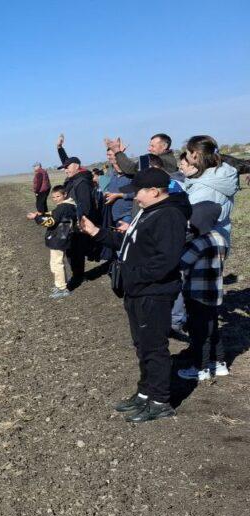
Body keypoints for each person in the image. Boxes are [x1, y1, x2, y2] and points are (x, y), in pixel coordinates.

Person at [78, 168, 191, 423]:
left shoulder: (168, 216)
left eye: (138, 192)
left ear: (154, 191)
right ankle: (144, 394)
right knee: (142, 346)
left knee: (154, 348)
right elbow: (127, 243)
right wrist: (96, 231)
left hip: (153, 293)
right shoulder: (147, 213)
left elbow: (166, 261)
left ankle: (160, 401)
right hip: (137, 292)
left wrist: (134, 274)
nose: (135, 198)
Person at [177, 202, 229, 382]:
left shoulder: (199, 242)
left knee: (200, 332)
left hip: (197, 294)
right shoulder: (220, 238)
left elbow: (182, 263)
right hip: (215, 292)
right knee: (212, 328)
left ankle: (201, 368)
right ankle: (219, 362)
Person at [55, 134, 101, 288]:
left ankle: (77, 276)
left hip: (74, 222)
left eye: (67, 168)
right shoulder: (75, 176)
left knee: (74, 250)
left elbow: (86, 206)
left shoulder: (81, 182)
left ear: (76, 166)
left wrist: (79, 222)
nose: (65, 170)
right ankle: (74, 274)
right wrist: (60, 148)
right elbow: (67, 162)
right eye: (64, 168)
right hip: (67, 220)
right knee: (66, 248)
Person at [179, 135, 240, 244]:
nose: (186, 155)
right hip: (219, 237)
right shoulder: (219, 174)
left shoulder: (204, 187)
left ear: (195, 155)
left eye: (187, 152)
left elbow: (191, 220)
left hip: (205, 243)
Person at [27, 184, 76, 299]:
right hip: (61, 238)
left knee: (57, 264)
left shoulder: (63, 207)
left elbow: (50, 222)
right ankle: (59, 284)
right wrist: (41, 214)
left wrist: (36, 218)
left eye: (58, 196)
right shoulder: (67, 206)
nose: (55, 199)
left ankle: (62, 288)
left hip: (59, 239)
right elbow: (54, 214)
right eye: (53, 197)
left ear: (65, 195)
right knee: (54, 264)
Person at [107, 133, 178, 176]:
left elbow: (131, 169)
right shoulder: (170, 159)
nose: (149, 149)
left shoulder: (154, 160)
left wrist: (117, 151)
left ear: (164, 146)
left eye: (152, 146)